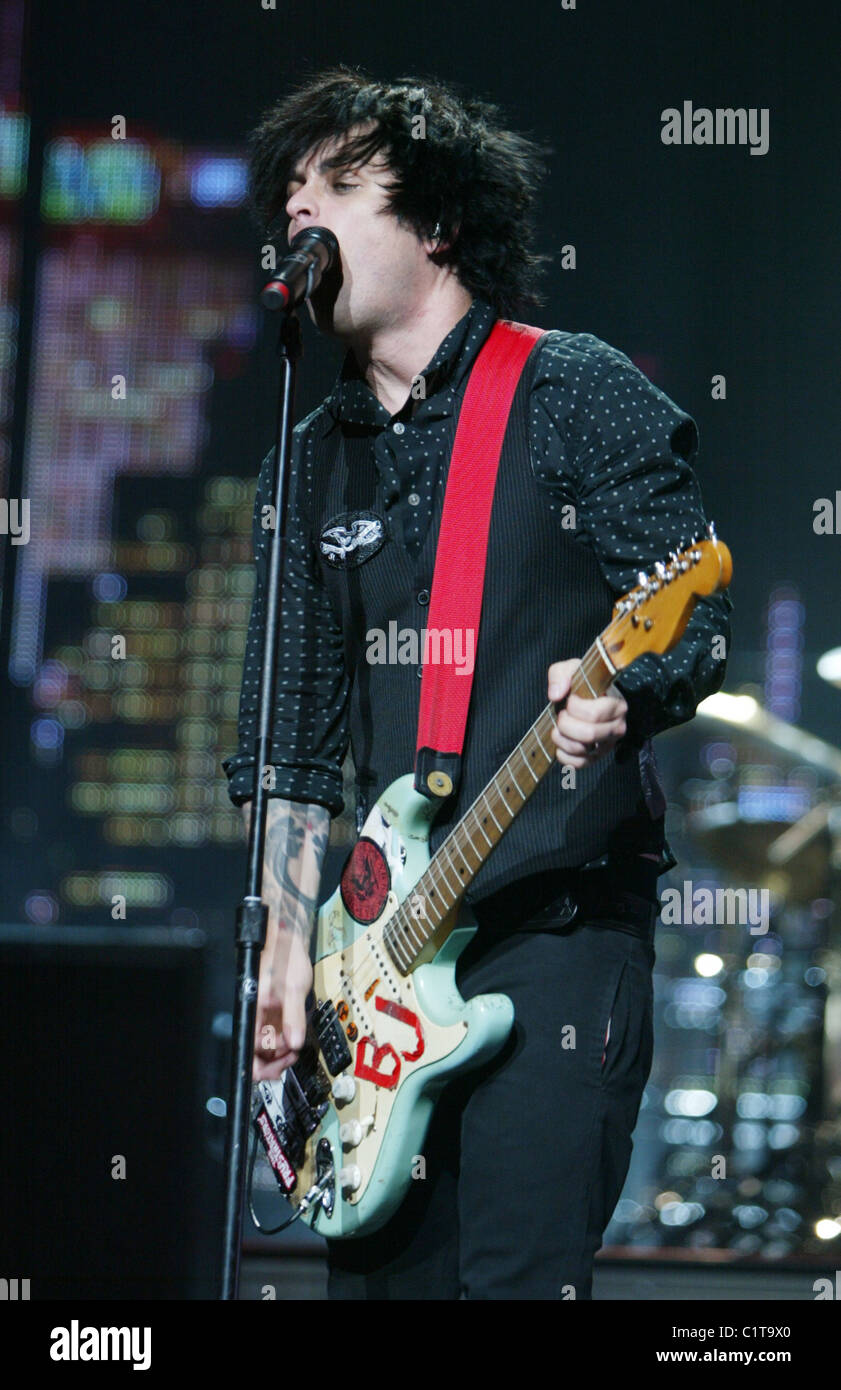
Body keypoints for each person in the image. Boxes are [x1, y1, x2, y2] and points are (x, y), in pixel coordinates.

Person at [223, 67, 733, 1300]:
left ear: (436, 222)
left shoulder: (571, 386)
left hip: (552, 932)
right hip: (378, 969)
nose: (301, 214)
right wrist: (288, 955)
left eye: (336, 186)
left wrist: (627, 687)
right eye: (290, 195)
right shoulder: (309, 463)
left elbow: (690, 604)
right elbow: (293, 739)